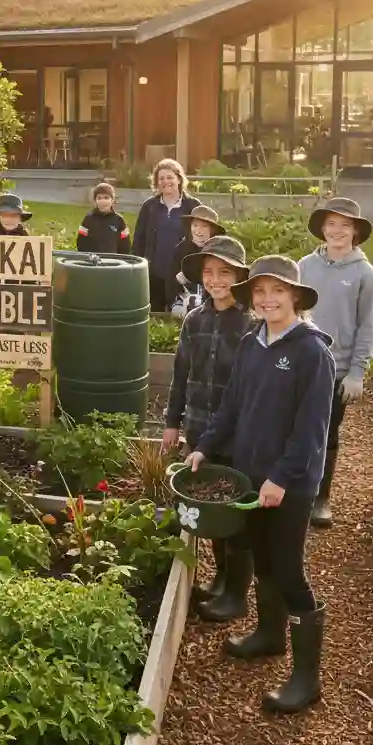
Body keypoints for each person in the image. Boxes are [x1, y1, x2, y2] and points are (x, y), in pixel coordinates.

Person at [186, 255, 335, 714]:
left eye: (278, 292)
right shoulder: (254, 343)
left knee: (289, 571)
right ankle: (270, 635)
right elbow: (231, 406)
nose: (268, 299)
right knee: (263, 560)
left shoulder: (312, 353)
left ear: (295, 297)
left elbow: (312, 431)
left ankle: (307, 680)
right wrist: (205, 447)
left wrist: (281, 478)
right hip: (250, 477)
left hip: (289, 486)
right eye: (261, 292)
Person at [162, 236, 254, 622]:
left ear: (239, 278)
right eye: (210, 272)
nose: (216, 280)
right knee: (213, 511)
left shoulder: (252, 324)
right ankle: (219, 581)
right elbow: (181, 376)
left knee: (236, 516)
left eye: (225, 273)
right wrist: (172, 423)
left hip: (239, 435)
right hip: (200, 431)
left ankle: (236, 594)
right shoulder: (194, 321)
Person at [299, 197, 373, 528]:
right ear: (322, 228)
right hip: (301, 364)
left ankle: (321, 496)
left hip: (336, 370)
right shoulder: (305, 265)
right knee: (291, 427)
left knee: (325, 433)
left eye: (345, 225)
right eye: (331, 224)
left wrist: (357, 372)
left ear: (356, 232)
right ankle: (293, 489)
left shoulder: (365, 274)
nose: (337, 231)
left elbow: (369, 325)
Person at [132, 159, 201, 312]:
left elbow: (204, 238)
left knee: (179, 317)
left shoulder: (193, 206)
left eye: (169, 177)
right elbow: (139, 240)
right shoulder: (149, 206)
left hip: (183, 274)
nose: (165, 182)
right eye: (161, 178)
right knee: (155, 316)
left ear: (179, 179)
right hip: (154, 272)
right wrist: (137, 266)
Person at [167, 205, 225, 315]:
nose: (199, 230)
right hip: (184, 300)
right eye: (195, 225)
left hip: (214, 300)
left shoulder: (219, 252)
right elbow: (170, 284)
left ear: (212, 230)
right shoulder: (181, 249)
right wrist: (178, 281)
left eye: (204, 226)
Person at [76, 182, 130, 255]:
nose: (103, 201)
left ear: (112, 200)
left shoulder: (119, 221)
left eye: (106, 198)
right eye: (99, 198)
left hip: (113, 263)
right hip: (93, 263)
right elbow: (81, 244)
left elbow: (125, 247)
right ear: (95, 201)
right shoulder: (88, 219)